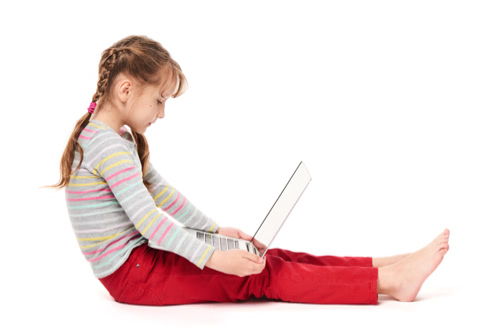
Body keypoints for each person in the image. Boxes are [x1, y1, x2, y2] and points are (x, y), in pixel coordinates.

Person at [45, 34, 450, 306]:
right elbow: (149, 221)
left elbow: (160, 193)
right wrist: (211, 258)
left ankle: (385, 266)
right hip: (133, 276)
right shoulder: (107, 145)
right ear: (126, 90)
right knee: (258, 274)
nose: (163, 113)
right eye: (159, 100)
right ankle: (388, 283)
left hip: (140, 263)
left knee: (264, 256)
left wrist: (215, 232)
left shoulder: (112, 137)